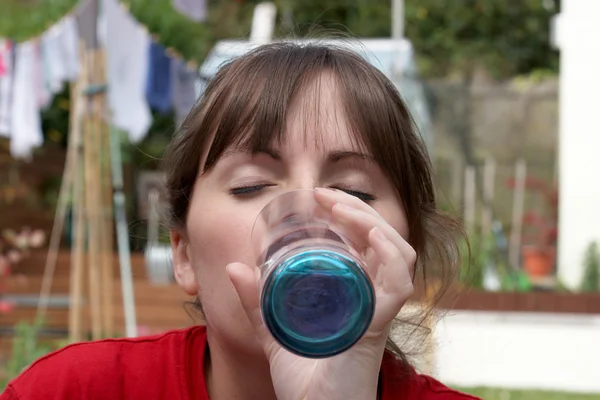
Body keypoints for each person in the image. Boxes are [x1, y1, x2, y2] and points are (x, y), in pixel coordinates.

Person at [1, 41, 480, 400]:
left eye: (351, 191)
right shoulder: (73, 391)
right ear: (183, 254)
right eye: (251, 185)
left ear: (401, 251)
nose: (307, 213)